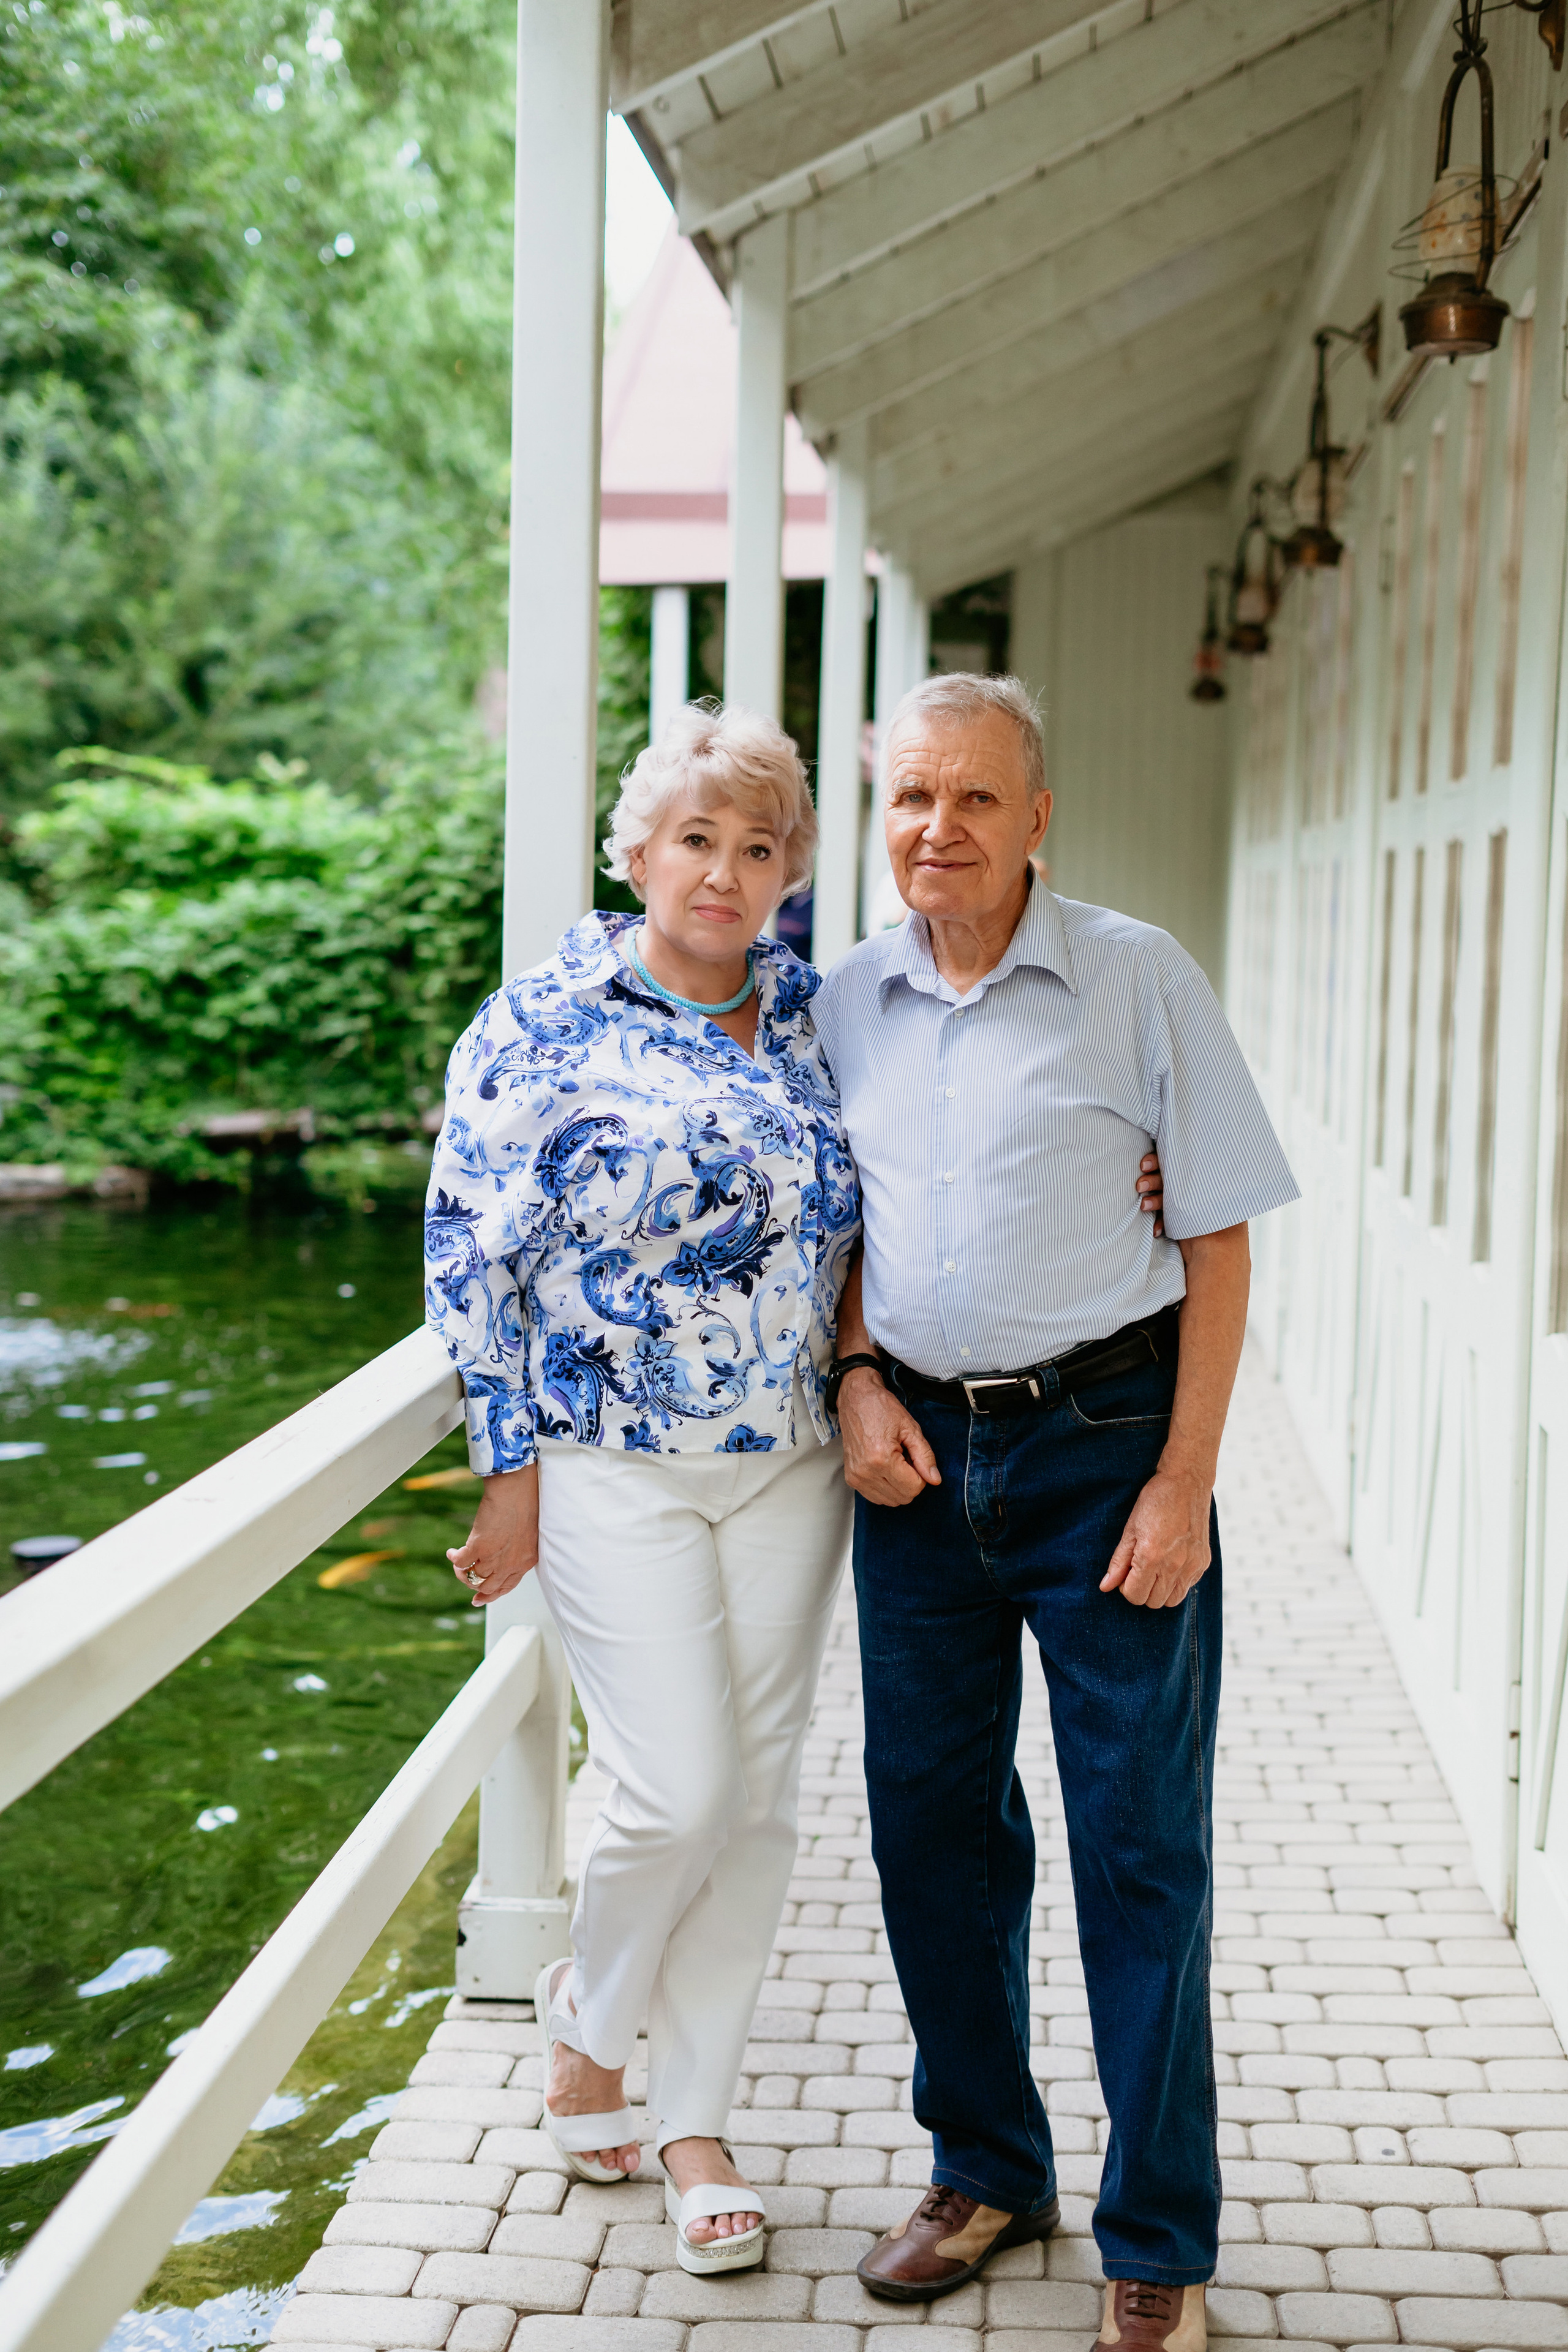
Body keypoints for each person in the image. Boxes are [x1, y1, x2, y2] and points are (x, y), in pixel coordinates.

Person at [813, 672, 1298, 2350]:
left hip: (1107, 1440)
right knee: (934, 1831)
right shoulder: (841, 1000)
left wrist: (1186, 1481)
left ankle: (1156, 2234)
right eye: (907, 801)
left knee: (1137, 1849)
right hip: (918, 1468)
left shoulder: (1138, 977)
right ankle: (985, 2167)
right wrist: (857, 1376)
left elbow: (1222, 1232)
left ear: (1037, 820)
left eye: (971, 800)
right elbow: (833, 1226)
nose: (935, 830)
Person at [423, 704, 859, 2276]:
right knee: (672, 1788)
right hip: (607, 1460)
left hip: (793, 1464)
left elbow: (926, 1153)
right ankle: (589, 2033)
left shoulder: (813, 1014)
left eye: (759, 849)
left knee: (754, 1810)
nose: (726, 874)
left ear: (790, 872)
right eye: (697, 840)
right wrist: (504, 1475)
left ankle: (691, 2123)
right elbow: (468, 1256)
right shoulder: (541, 1018)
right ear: (635, 852)